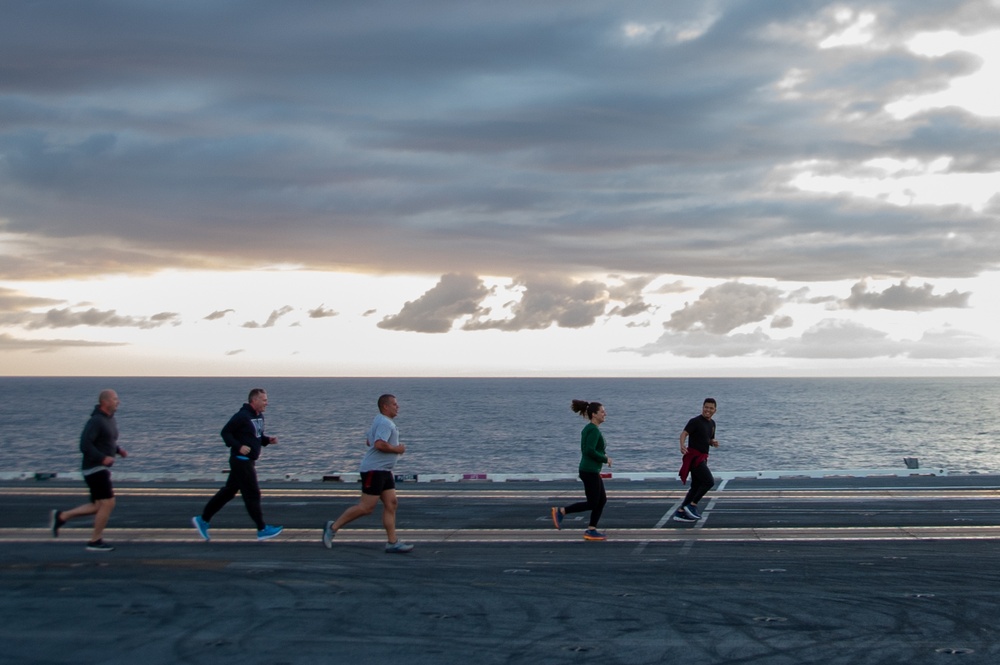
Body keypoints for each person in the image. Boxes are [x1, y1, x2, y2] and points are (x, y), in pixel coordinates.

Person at [323, 394, 413, 553]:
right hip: (374, 470)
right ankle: (333, 527)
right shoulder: (385, 422)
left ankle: (392, 542)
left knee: (391, 503)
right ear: (385, 406)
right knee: (366, 508)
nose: (397, 407)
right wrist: (397, 449)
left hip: (384, 470)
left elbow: (368, 441)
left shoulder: (379, 420)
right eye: (394, 404)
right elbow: (379, 445)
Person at [192, 388, 283, 542]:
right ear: (254, 401)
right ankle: (262, 529)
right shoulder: (242, 416)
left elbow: (256, 436)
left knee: (228, 492)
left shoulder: (259, 416)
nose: (267, 403)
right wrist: (238, 446)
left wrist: (267, 440)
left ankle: (203, 519)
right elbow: (225, 433)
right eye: (264, 400)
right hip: (241, 461)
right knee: (252, 494)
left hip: (248, 461)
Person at [49, 389, 128, 552]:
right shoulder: (96, 421)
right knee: (108, 503)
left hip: (100, 468)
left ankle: (61, 516)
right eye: (115, 399)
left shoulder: (110, 420)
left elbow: (106, 441)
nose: (118, 401)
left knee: (97, 505)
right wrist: (102, 458)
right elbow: (85, 445)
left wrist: (118, 450)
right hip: (94, 468)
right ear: (105, 402)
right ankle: (95, 540)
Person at [551, 399, 612, 541]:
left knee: (601, 500)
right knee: (592, 502)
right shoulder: (593, 431)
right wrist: (605, 459)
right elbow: (588, 451)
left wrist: (602, 456)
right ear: (594, 414)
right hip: (589, 470)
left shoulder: (590, 429)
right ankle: (562, 511)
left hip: (590, 470)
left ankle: (591, 529)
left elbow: (589, 450)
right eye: (602, 412)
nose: (605, 414)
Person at [674, 398, 719, 523]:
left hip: (703, 458)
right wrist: (682, 445)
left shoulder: (712, 424)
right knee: (709, 482)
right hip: (694, 458)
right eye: (706, 407)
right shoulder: (695, 421)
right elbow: (684, 433)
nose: (708, 410)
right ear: (702, 407)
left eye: (711, 408)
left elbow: (708, 439)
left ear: (715, 410)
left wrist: (713, 442)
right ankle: (692, 505)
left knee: (695, 486)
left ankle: (681, 512)